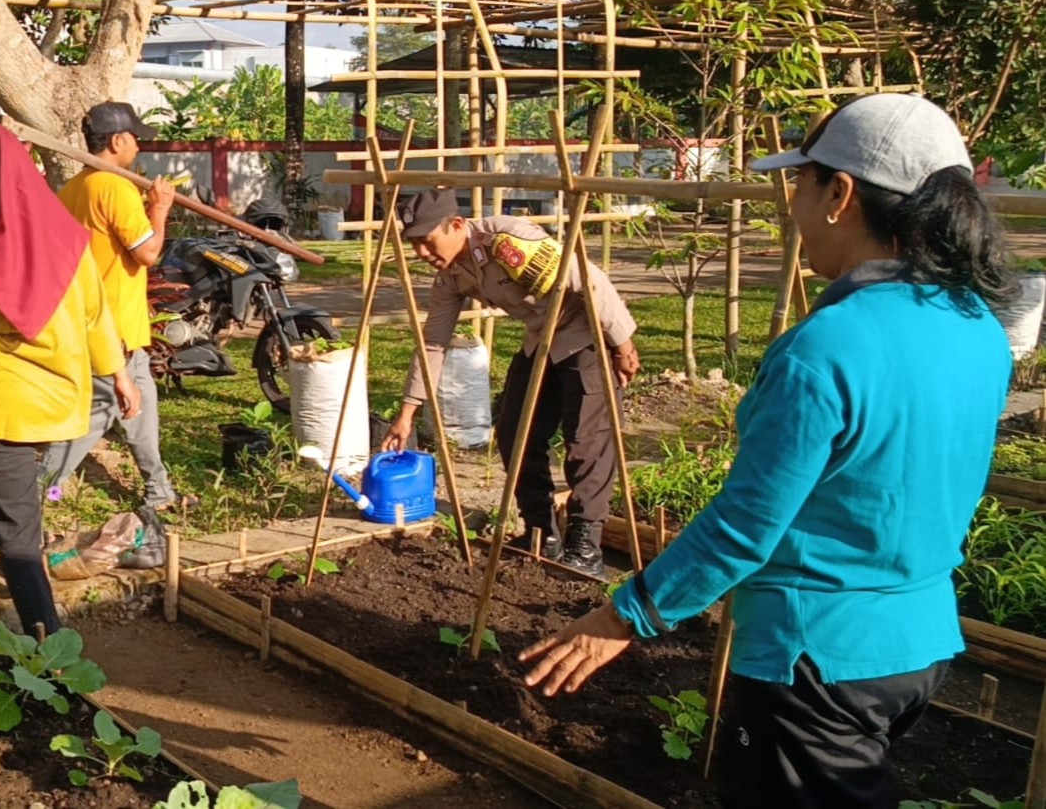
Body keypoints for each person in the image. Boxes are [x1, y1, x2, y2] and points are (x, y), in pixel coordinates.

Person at [520, 94, 1016, 808]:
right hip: (920, 642)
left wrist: (622, 615)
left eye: (802, 182)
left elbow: (745, 525)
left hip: (816, 657)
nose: (793, 203)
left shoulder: (827, 347)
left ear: (839, 193)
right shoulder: (976, 327)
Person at [0, 122, 140, 637]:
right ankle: (34, 586)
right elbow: (96, 316)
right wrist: (120, 375)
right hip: (63, 402)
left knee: (15, 529)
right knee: (25, 509)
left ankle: (48, 643)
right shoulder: (70, 237)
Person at [379, 189, 641, 578]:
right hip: (541, 341)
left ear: (456, 225)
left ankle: (585, 546)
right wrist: (406, 415)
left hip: (588, 335)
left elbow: (588, 280)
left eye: (426, 240)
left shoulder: (508, 240)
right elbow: (433, 343)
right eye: (413, 243)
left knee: (587, 443)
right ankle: (541, 532)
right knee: (516, 434)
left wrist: (622, 344)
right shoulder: (451, 276)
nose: (421, 252)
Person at [38, 101, 194, 518]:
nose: (138, 146)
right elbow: (148, 253)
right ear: (117, 140)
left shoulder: (74, 189)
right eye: (135, 138)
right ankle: (39, 495)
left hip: (89, 321)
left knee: (140, 410)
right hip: (113, 328)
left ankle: (159, 491)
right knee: (94, 418)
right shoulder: (115, 188)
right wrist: (160, 209)